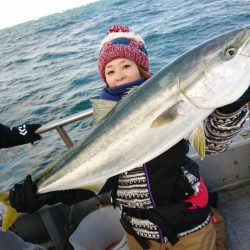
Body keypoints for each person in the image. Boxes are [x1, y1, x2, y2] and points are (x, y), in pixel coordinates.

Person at [9, 25, 250, 250]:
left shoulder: (182, 103)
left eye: (126, 66)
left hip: (188, 225)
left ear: (142, 69)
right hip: (139, 235)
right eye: (110, 71)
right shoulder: (102, 125)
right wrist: (44, 193)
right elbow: (98, 180)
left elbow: (213, 144)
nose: (119, 75)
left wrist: (230, 107)